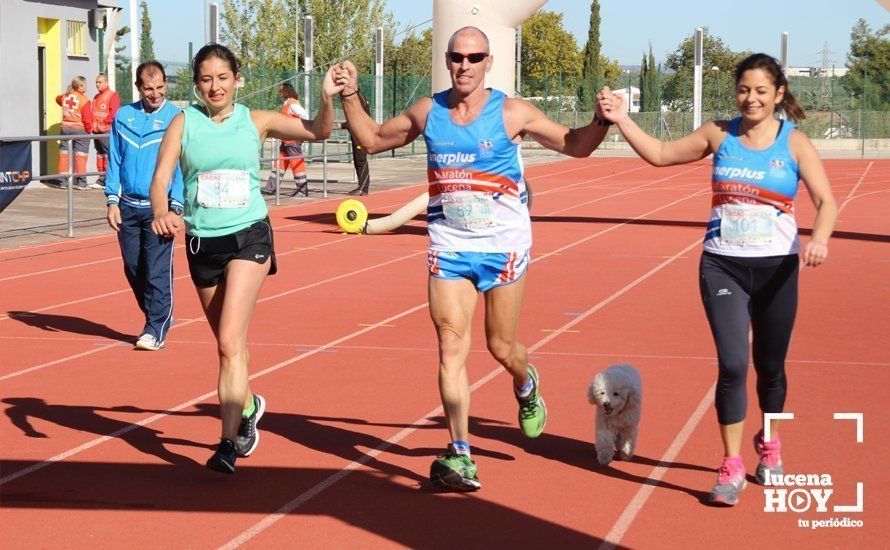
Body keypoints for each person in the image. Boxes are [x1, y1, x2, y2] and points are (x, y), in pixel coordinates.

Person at [335, 26, 612, 491]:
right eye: (457, 57)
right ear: (447, 61)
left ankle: (526, 383)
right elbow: (374, 138)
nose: (465, 64)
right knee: (450, 347)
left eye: (474, 56)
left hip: (503, 246)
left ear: (488, 62)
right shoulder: (429, 111)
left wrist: (602, 119)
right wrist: (350, 94)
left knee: (502, 347)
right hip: (449, 246)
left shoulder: (512, 111)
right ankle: (460, 453)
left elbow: (576, 144)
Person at [597, 53, 838, 506]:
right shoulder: (718, 134)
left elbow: (827, 201)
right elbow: (661, 155)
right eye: (744, 90)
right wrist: (622, 120)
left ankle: (770, 444)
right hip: (723, 265)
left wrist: (819, 239)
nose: (751, 98)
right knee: (731, 365)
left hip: (777, 270)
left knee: (771, 368)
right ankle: (730, 466)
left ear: (778, 95)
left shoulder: (795, 143)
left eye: (761, 91)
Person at [149, 43, 340, 474]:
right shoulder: (184, 123)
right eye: (205, 79)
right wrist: (161, 211)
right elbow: (160, 180)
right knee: (227, 344)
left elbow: (318, 132)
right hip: (202, 243)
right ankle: (249, 404)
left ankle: (227, 444)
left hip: (249, 236)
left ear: (237, 79)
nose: (214, 86)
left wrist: (327, 98)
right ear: (196, 84)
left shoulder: (258, 120)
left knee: (230, 343)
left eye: (222, 77)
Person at [105, 61, 184, 351]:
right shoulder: (124, 116)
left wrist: (176, 206)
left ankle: (155, 327)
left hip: (159, 209)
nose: (155, 94)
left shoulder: (178, 118)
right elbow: (114, 159)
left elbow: (181, 167)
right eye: (149, 88)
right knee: (133, 268)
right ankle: (159, 315)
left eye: (160, 87)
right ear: (138, 87)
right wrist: (111, 199)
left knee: (157, 270)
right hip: (127, 208)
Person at [262, 83, 309, 197]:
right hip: (286, 140)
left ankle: (302, 191)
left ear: (285, 92)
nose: (279, 93)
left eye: (281, 91)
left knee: (297, 165)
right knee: (279, 164)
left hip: (292, 141)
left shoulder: (293, 105)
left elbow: (305, 116)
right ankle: (270, 188)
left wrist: (297, 131)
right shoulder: (287, 103)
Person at [55, 77, 93, 190]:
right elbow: (87, 119)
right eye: (85, 84)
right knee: (80, 156)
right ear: (80, 86)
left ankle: (63, 182)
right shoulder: (84, 100)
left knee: (64, 155)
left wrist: (69, 92)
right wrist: (89, 131)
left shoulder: (65, 97)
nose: (86, 86)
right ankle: (81, 183)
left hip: (65, 129)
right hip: (80, 130)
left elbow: (57, 99)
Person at [92, 74, 120, 190]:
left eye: (100, 82)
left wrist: (105, 123)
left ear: (106, 82)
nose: (98, 84)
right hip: (97, 131)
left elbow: (114, 113)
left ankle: (109, 179)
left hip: (106, 131)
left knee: (108, 155)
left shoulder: (112, 96)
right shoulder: (96, 97)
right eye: (96, 82)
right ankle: (101, 179)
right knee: (100, 154)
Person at [342, 89, 372, 196]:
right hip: (357, 134)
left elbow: (360, 117)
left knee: (361, 161)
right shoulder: (358, 97)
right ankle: (362, 186)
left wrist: (343, 125)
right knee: (358, 160)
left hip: (360, 135)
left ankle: (363, 188)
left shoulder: (358, 98)